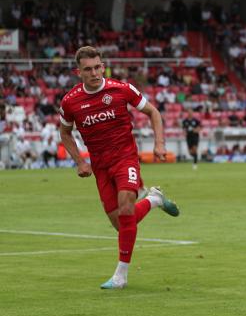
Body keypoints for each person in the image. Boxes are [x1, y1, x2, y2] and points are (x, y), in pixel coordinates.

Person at [58, 46, 180, 289]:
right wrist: (80, 161)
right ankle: (154, 200)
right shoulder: (70, 102)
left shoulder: (121, 89)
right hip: (101, 166)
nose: (94, 73)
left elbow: (153, 112)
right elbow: (65, 132)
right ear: (78, 72)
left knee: (125, 207)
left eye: (97, 67)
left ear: (103, 66)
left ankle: (120, 276)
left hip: (125, 158)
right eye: (88, 69)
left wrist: (159, 144)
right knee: (122, 223)